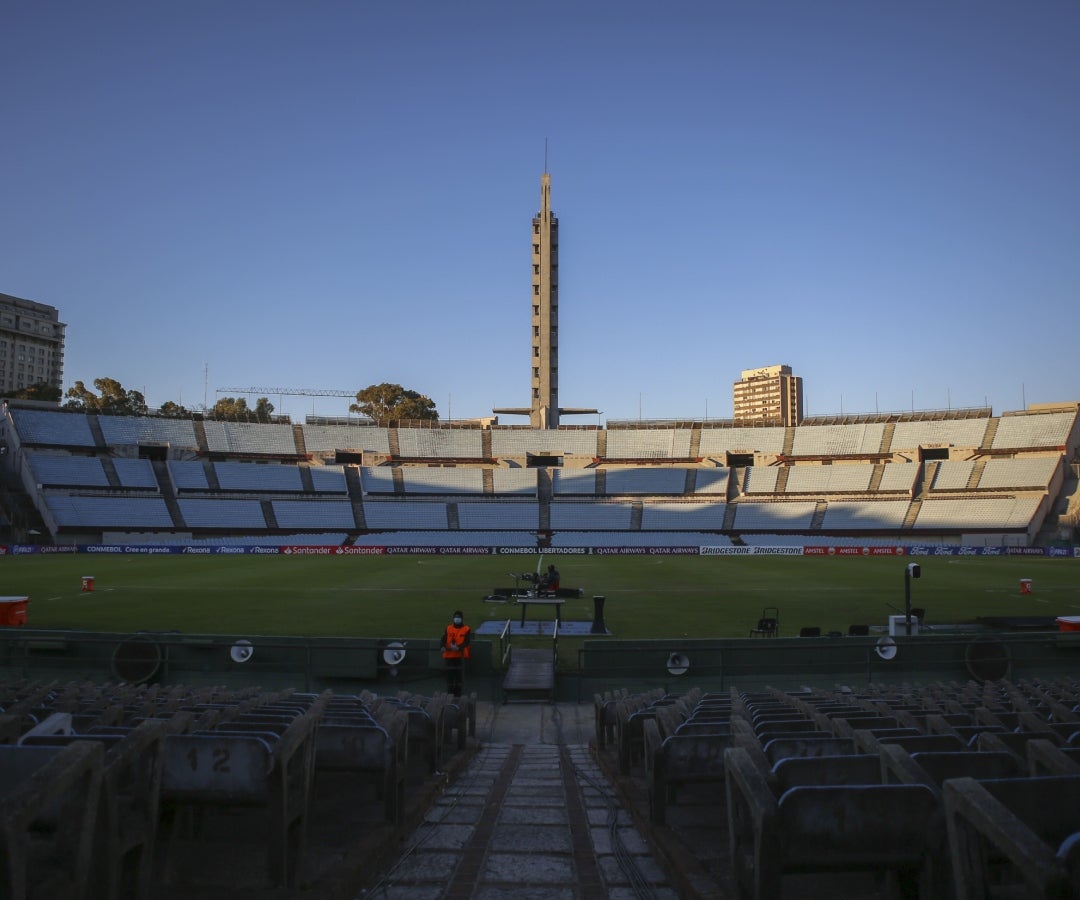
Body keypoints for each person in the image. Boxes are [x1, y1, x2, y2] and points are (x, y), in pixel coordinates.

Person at [440, 609, 471, 697]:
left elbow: (467, 642)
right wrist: (442, 646)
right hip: (449, 656)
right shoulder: (448, 628)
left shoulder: (466, 629)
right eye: (456, 617)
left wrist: (459, 648)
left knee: (458, 676)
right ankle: (450, 693)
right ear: (453, 618)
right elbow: (443, 639)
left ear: (462, 618)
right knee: (449, 675)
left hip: (460, 656)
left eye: (459, 617)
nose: (457, 619)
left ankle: (458, 694)